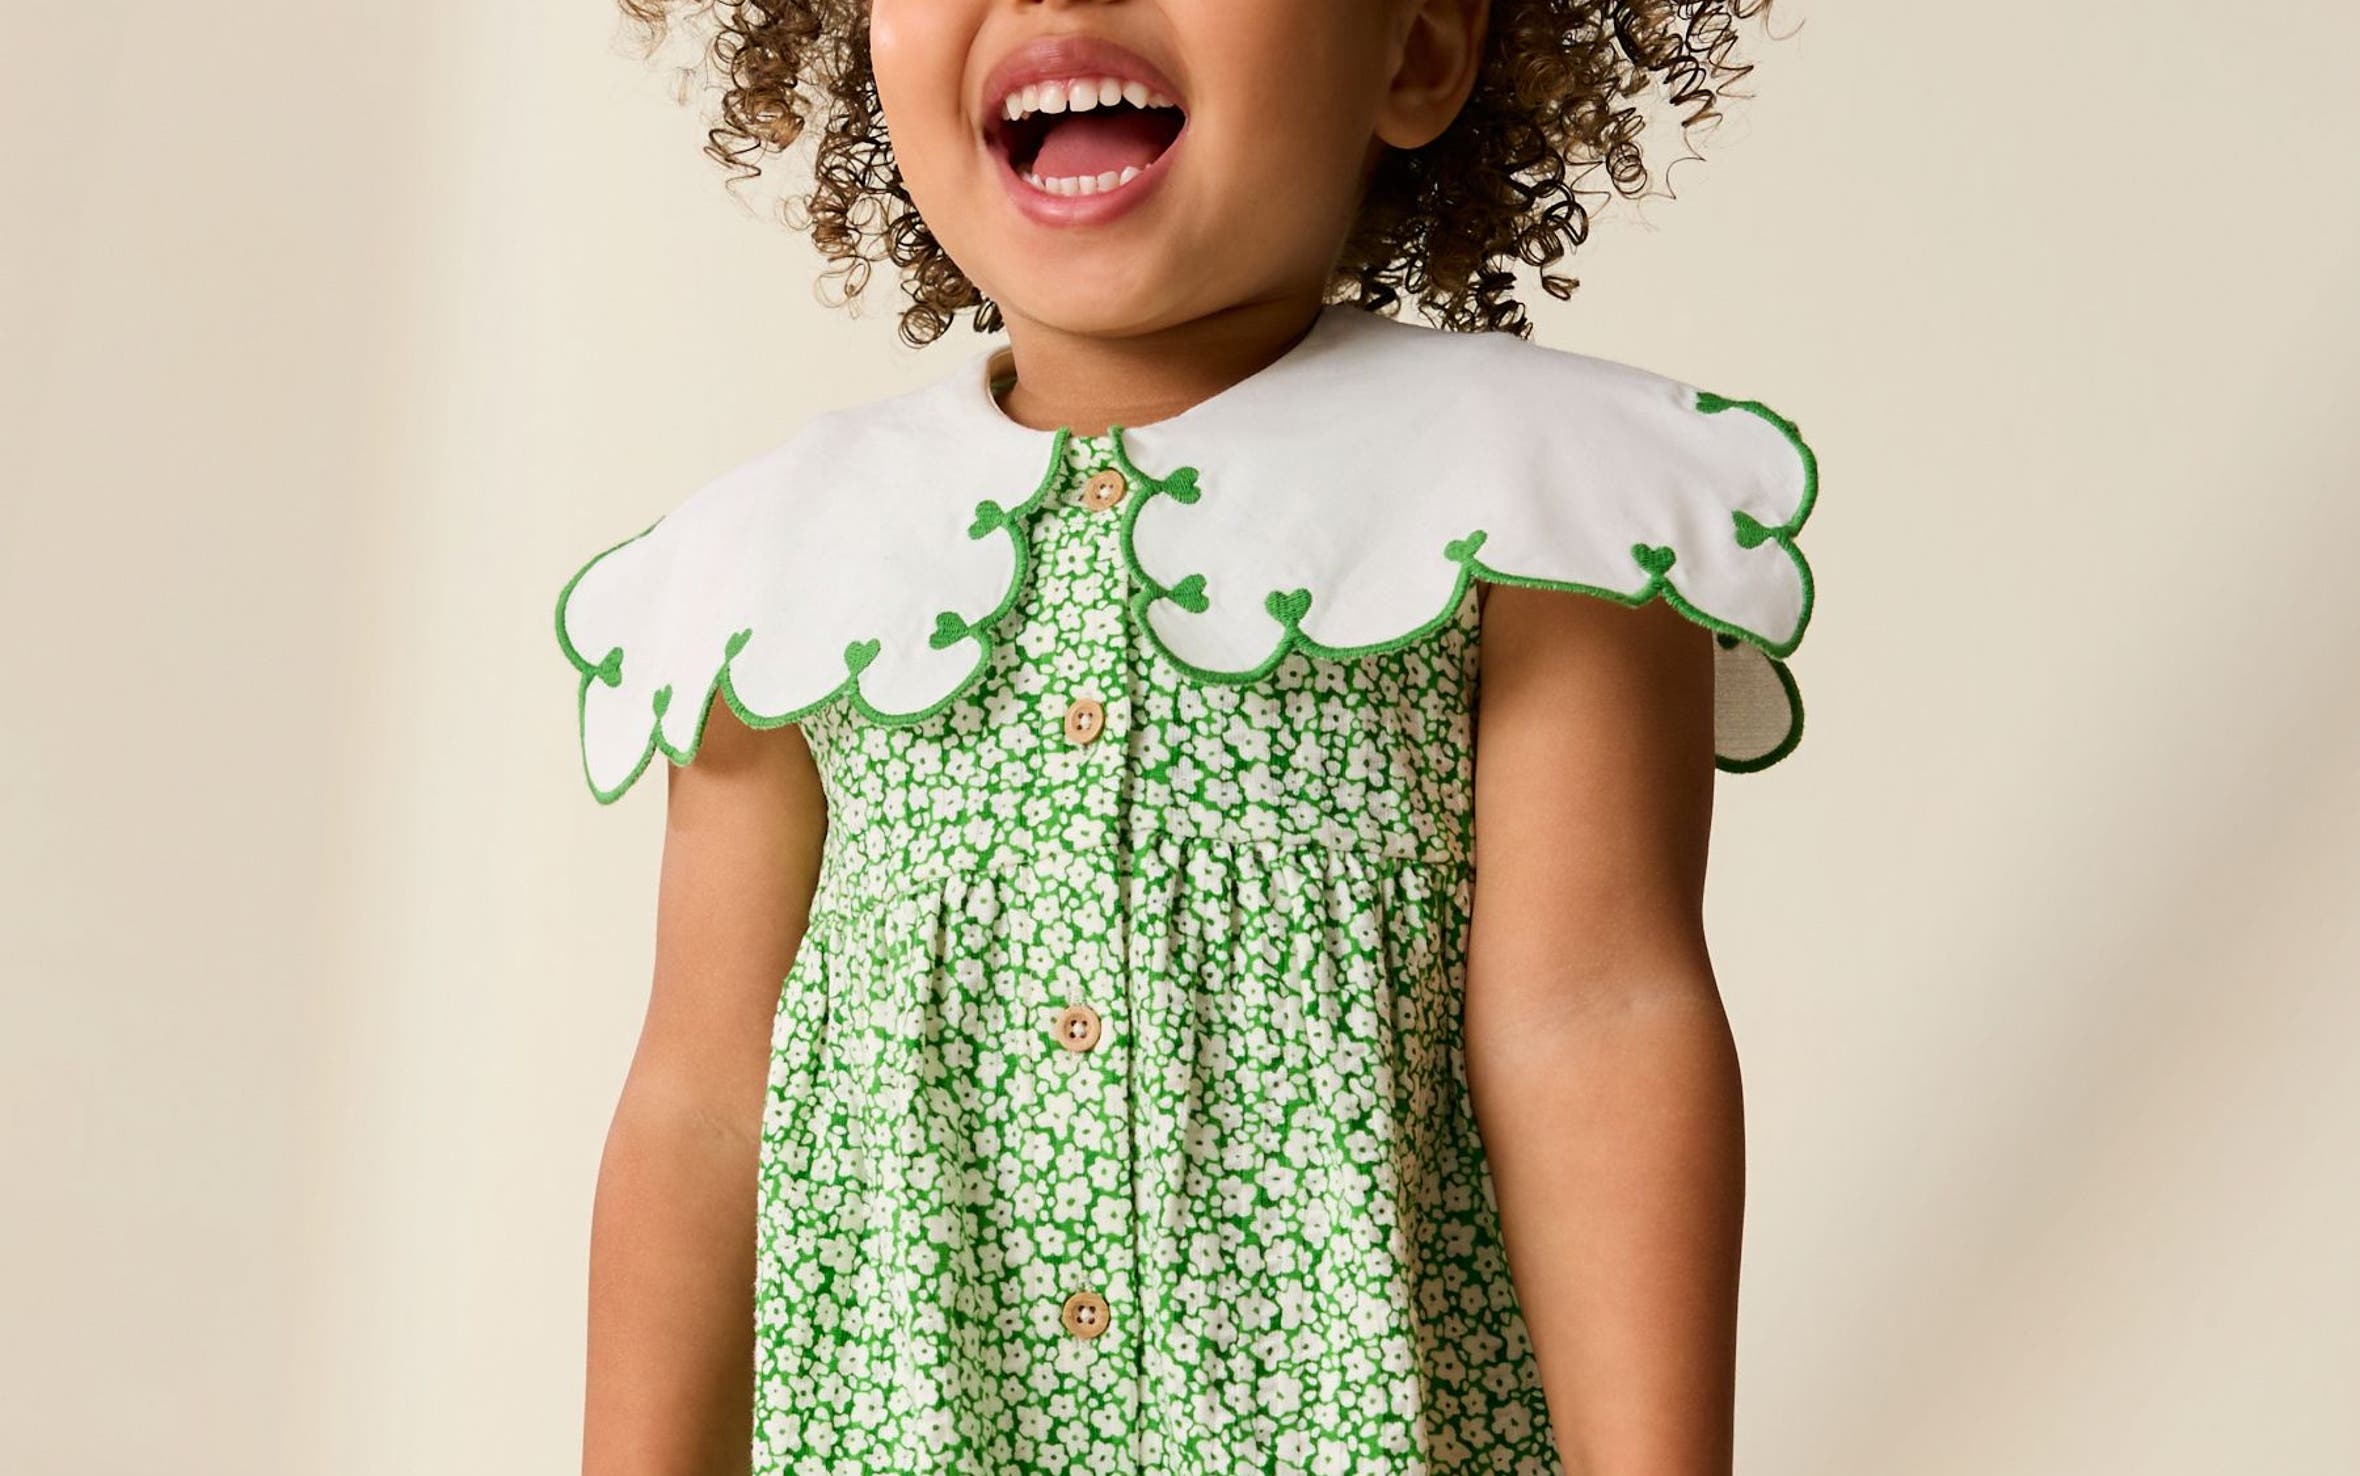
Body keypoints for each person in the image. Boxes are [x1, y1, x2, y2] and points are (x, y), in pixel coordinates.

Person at [555, 0, 1815, 1471]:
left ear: (1414, 49)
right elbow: (706, 1107)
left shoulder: (1540, 512)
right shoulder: (778, 570)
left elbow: (1592, 1026)